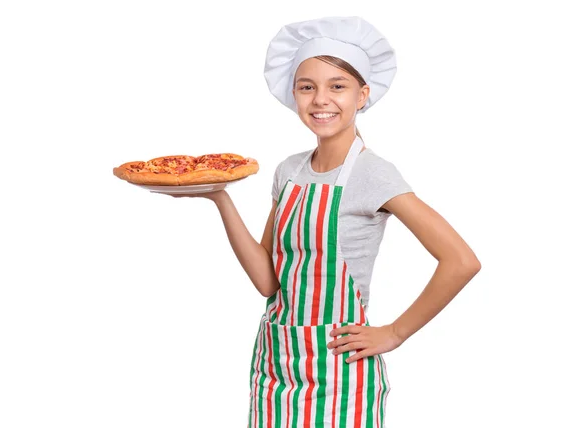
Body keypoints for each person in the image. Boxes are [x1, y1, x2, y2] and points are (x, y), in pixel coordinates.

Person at [172, 15, 481, 428]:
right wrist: (220, 197)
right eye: (307, 87)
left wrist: (394, 333)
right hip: (276, 368)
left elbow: (461, 261)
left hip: (340, 374)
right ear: (294, 94)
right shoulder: (289, 171)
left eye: (337, 86)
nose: (321, 99)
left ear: (362, 94)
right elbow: (268, 281)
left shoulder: (373, 174)